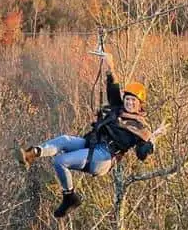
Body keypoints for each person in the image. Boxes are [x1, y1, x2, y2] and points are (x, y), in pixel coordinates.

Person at [17, 52, 167, 218]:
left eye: (133, 101)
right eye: (128, 99)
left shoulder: (140, 127)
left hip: (103, 157)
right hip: (93, 143)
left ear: (140, 105)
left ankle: (70, 198)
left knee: (59, 161)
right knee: (64, 140)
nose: (129, 103)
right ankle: (32, 154)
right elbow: (113, 89)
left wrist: (152, 140)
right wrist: (110, 65)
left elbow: (141, 153)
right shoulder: (119, 109)